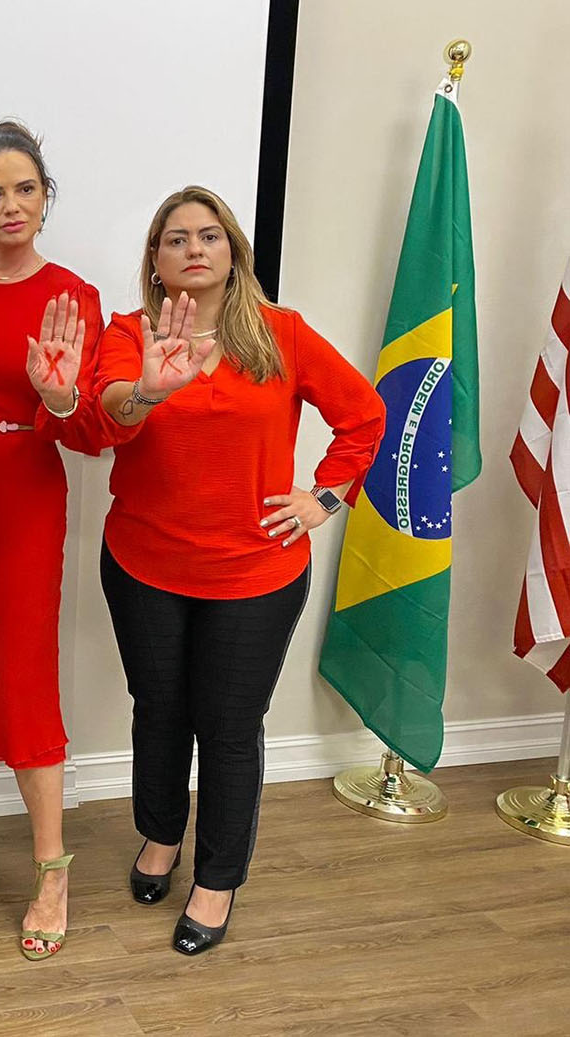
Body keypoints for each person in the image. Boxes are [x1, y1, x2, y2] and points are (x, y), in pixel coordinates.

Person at [93, 186, 385, 955]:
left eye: (209, 235)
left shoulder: (282, 333)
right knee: (158, 707)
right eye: (175, 238)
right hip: (144, 564)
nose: (194, 248)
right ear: (155, 263)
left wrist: (324, 496)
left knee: (226, 729)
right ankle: (160, 836)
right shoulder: (129, 332)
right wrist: (149, 390)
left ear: (233, 253)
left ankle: (218, 878)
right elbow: (110, 407)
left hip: (255, 575)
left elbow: (364, 416)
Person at [0, 119, 108, 960]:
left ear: (46, 198)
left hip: (27, 493)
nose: (11, 205)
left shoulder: (73, 294)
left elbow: (93, 434)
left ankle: (51, 865)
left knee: (21, 672)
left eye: (25, 189)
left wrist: (63, 396)